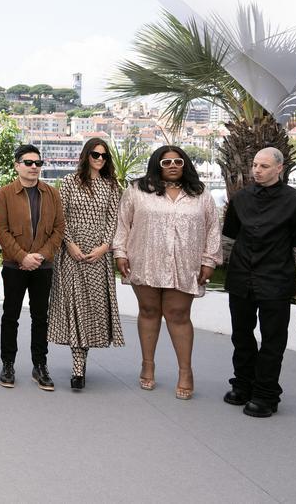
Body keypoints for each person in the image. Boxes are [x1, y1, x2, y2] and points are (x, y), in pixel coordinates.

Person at [113, 145, 221, 401]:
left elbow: (213, 229)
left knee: (179, 314)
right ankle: (147, 364)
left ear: (185, 165)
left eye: (178, 161)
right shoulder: (137, 190)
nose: (172, 165)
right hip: (145, 259)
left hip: (184, 264)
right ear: (157, 165)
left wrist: (210, 260)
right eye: (166, 162)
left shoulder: (201, 194)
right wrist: (120, 253)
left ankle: (186, 371)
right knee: (149, 311)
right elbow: (123, 223)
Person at [222, 147, 296, 417]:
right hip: (241, 277)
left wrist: (282, 267)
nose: (257, 170)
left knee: (273, 340)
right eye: (254, 165)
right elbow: (232, 235)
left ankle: (266, 395)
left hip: (275, 281)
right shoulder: (240, 198)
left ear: (279, 168)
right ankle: (242, 384)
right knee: (241, 335)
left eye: (264, 166)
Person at [48, 138, 124, 390]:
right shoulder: (70, 182)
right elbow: (61, 216)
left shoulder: (112, 186)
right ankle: (78, 368)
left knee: (90, 311)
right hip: (72, 254)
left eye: (104, 156)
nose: (100, 159)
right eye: (95, 154)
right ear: (86, 155)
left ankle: (80, 366)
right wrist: (69, 244)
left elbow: (113, 221)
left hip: (98, 257)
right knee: (76, 308)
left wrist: (104, 247)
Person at [0, 144, 65, 392]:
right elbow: (0, 230)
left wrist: (41, 256)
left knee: (40, 318)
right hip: (15, 265)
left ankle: (40, 365)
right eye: (28, 162)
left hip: (43, 268)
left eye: (38, 163)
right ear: (17, 165)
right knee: (10, 316)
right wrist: (22, 257)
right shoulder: (4, 194)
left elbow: (58, 229)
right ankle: (8, 364)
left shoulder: (52, 194)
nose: (34, 167)